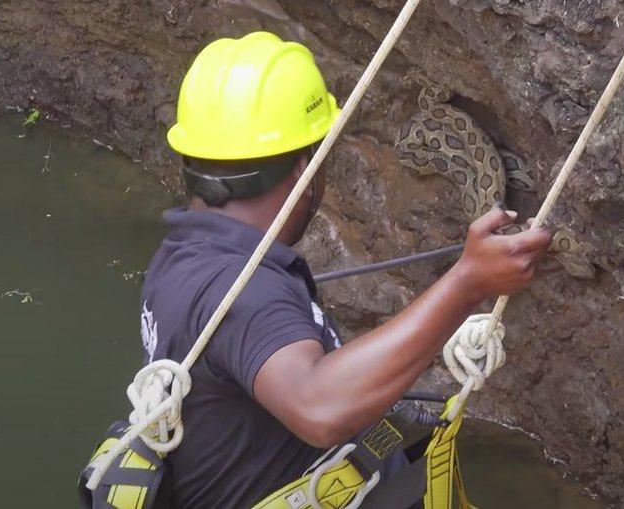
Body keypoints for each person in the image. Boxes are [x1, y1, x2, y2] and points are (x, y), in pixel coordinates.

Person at [142, 31, 551, 508]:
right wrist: (467, 283)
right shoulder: (243, 294)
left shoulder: (179, 258)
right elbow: (318, 407)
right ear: (303, 168)